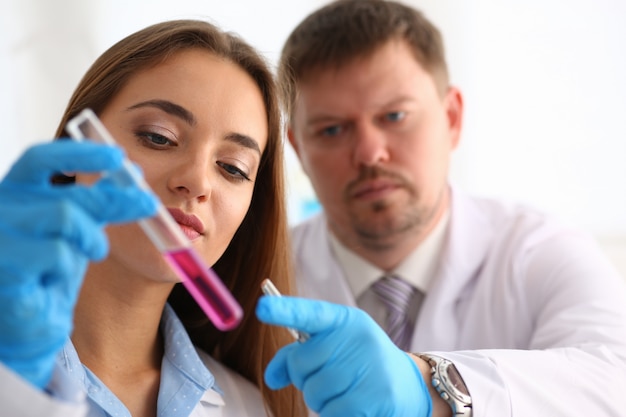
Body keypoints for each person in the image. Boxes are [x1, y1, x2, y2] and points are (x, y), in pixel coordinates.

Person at [271, 0, 626, 416]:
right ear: (297, 147)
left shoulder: (539, 250)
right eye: (332, 129)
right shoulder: (266, 272)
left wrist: (430, 386)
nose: (369, 153)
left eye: (395, 115)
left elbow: (613, 379)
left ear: (452, 117)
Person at [0, 19, 308, 416]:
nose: (197, 182)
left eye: (232, 167)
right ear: (79, 147)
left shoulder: (249, 407)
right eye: (158, 137)